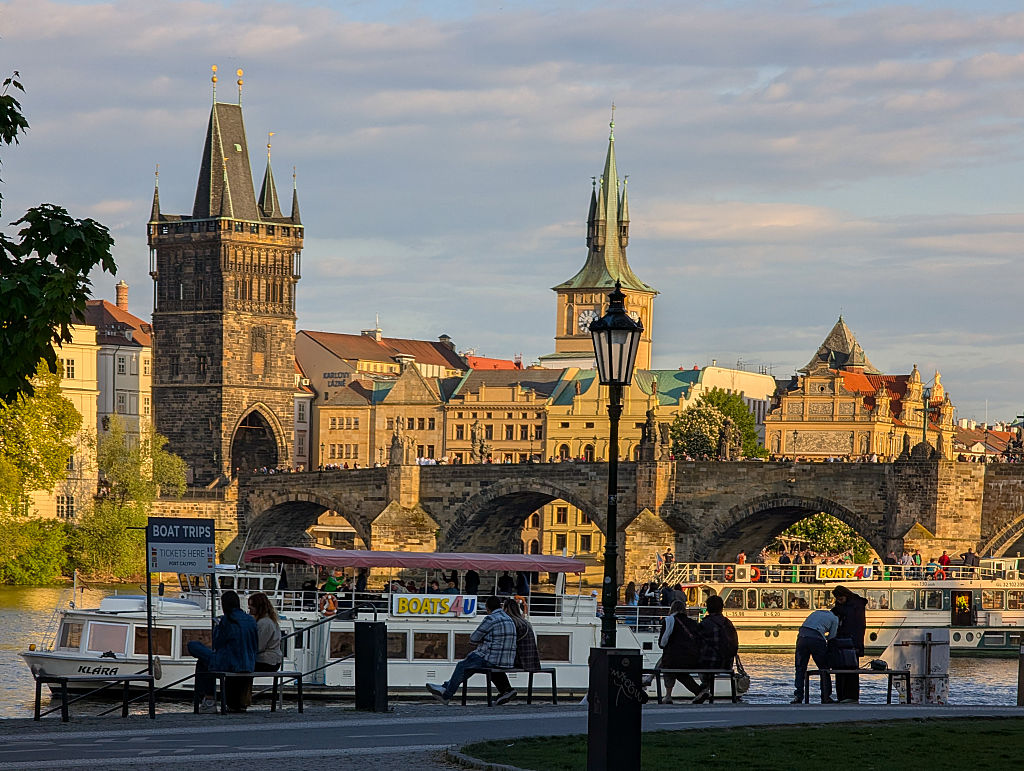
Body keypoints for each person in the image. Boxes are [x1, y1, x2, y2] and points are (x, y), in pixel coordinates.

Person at [426, 596, 516, 705]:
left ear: (487, 608)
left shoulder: (491, 619)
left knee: (462, 665)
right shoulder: (509, 619)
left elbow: (474, 638)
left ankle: (446, 695)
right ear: (500, 606)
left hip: (491, 658)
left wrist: (482, 639)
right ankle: (444, 688)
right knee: (470, 666)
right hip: (506, 661)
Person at [188, 590, 258, 713]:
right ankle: (209, 701)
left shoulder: (227, 620)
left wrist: (217, 627)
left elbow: (217, 644)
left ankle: (209, 700)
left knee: (194, 647)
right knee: (204, 661)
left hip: (230, 663)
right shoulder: (251, 620)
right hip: (249, 663)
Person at [693, 595, 738, 704]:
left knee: (695, 660)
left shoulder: (705, 624)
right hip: (727, 663)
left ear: (707, 608)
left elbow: (695, 643)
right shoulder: (728, 623)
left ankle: (703, 688)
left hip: (709, 663)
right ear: (722, 608)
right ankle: (705, 688)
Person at [658, 599, 702, 703]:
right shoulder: (693, 622)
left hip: (674, 661)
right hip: (693, 660)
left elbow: (662, 644)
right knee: (679, 670)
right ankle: (699, 692)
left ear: (671, 609)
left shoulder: (669, 620)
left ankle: (668, 695)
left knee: (668, 661)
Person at [791, 607, 838, 704]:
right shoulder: (835, 619)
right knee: (824, 669)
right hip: (816, 640)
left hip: (801, 637)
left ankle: (798, 697)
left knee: (800, 668)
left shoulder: (816, 612)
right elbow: (832, 637)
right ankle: (825, 697)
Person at [831, 585, 867, 703]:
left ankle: (849, 696)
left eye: (840, 599)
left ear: (845, 596)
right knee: (844, 669)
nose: (838, 601)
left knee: (849, 669)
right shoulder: (853, 605)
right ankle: (843, 696)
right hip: (845, 642)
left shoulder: (855, 605)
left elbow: (854, 624)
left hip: (851, 642)